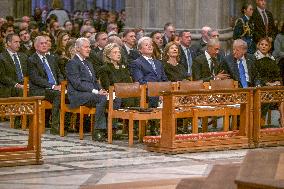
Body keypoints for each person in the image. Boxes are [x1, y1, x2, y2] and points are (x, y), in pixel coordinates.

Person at [65, 37, 108, 141]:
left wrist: (101, 90)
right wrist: (96, 92)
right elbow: (77, 84)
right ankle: (98, 131)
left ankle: (111, 130)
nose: (89, 49)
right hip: (77, 95)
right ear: (78, 49)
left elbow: (94, 81)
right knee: (101, 99)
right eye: (86, 47)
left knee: (114, 98)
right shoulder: (72, 63)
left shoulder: (88, 63)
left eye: (89, 47)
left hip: (91, 94)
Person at [28, 35, 64, 134]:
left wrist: (61, 84)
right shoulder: (32, 60)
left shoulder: (51, 58)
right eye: (42, 43)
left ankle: (69, 124)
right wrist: (53, 86)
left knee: (71, 93)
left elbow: (59, 73)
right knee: (58, 95)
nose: (45, 45)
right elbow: (36, 79)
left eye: (46, 43)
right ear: (35, 46)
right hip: (38, 89)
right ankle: (55, 126)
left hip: (54, 88)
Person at [129, 36, 168, 108]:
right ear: (140, 50)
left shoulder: (158, 63)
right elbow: (140, 81)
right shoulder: (136, 63)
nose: (150, 46)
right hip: (147, 92)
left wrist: (164, 91)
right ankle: (154, 118)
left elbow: (164, 79)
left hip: (161, 92)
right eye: (146, 45)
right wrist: (157, 92)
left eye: (151, 45)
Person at [98, 43, 135, 108]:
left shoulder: (123, 67)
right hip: (113, 94)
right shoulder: (104, 68)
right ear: (109, 55)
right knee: (128, 100)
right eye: (115, 52)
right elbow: (107, 86)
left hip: (126, 93)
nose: (118, 54)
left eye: (119, 52)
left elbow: (129, 83)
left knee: (137, 97)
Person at [0, 34, 28, 98]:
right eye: (16, 42)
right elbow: (2, 76)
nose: (18, 44)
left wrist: (28, 84)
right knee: (21, 91)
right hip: (9, 87)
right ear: (9, 43)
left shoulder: (24, 56)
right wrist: (16, 85)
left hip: (25, 84)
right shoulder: (1, 57)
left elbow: (28, 73)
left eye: (19, 42)